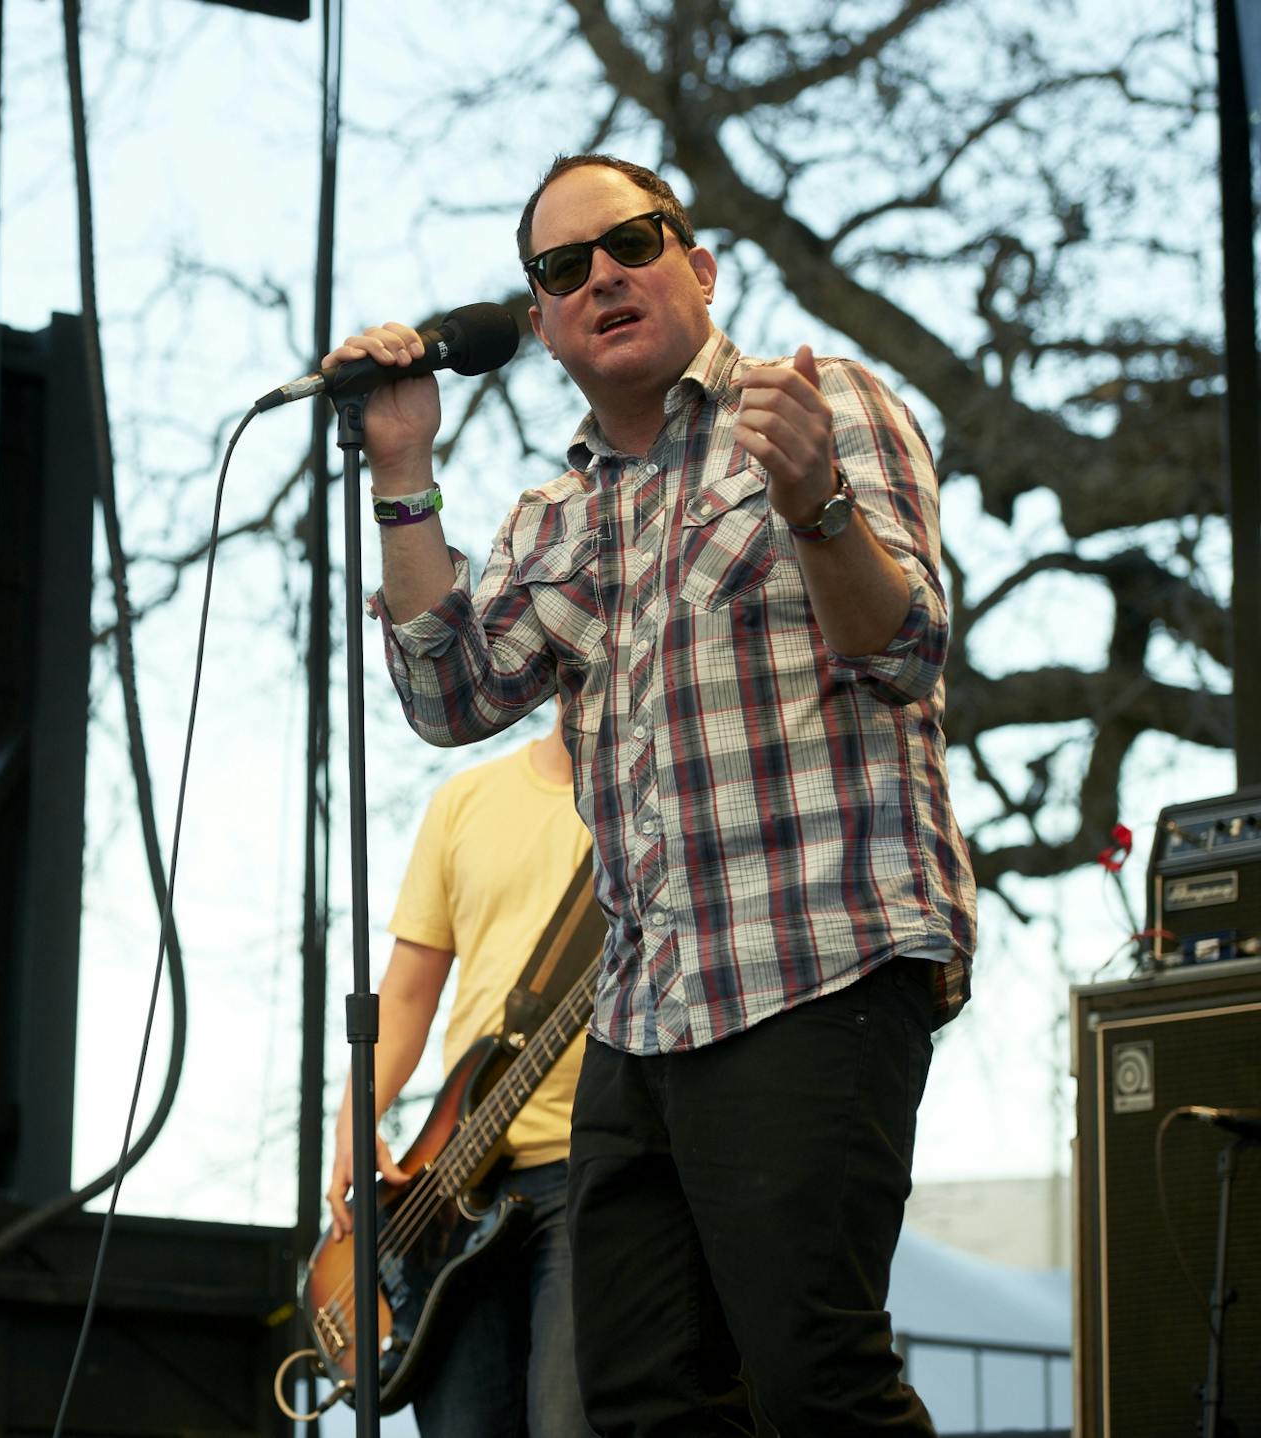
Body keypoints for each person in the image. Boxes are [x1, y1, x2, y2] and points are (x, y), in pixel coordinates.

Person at [325, 153, 977, 1434]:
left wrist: (818, 505)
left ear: (700, 265)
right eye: (563, 268)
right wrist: (401, 470)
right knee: (639, 1397)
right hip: (642, 1009)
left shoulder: (817, 403)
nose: (601, 276)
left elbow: (903, 649)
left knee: (814, 1375)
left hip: (817, 958)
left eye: (631, 241)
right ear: (541, 323)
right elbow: (446, 695)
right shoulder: (553, 519)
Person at [326, 711, 596, 1437]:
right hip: (453, 1184)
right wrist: (356, 1118)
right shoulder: (465, 800)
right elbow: (409, 990)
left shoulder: (659, 805)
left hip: (596, 1174)